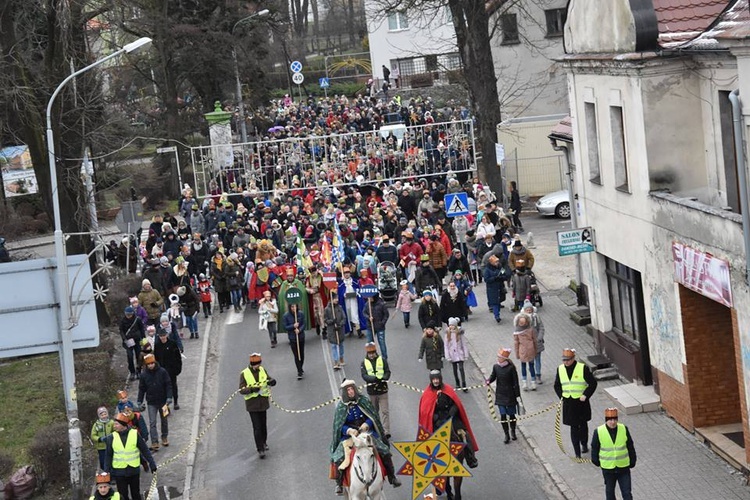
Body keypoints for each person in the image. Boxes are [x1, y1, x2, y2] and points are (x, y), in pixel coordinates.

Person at [330, 380, 401, 496]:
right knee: (338, 456)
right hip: (350, 436)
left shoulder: (363, 401)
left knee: (384, 450)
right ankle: (339, 484)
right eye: (348, 390)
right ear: (344, 392)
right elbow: (338, 426)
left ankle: (392, 477)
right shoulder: (341, 407)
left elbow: (373, 416)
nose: (351, 391)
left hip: (367, 433)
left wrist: (366, 424)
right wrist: (348, 430)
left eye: (352, 389)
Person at [418, 370, 478, 499]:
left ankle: (470, 456)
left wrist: (451, 412)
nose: (436, 381)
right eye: (433, 379)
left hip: (451, 420)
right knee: (430, 445)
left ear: (440, 378)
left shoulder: (448, 390)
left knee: (463, 434)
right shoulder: (427, 394)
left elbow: (456, 404)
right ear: (431, 380)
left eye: (437, 379)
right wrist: (434, 417)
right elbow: (425, 412)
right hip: (437, 423)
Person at [554, 348, 598, 459]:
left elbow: (593, 383)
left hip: (581, 402)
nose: (566, 362)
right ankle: (577, 453)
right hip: (569, 404)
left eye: (568, 360)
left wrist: (586, 395)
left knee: (583, 425)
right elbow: (557, 385)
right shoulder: (560, 369)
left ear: (573, 359)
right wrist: (562, 396)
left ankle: (584, 444)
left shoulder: (582, 368)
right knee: (573, 428)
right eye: (564, 360)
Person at [103, 413, 157, 500]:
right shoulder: (111, 437)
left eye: (116, 424)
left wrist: (152, 463)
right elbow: (108, 455)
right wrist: (106, 471)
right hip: (119, 472)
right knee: (123, 496)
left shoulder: (134, 434)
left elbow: (145, 450)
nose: (114, 426)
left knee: (135, 494)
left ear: (123, 425)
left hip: (133, 470)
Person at [591, 408, 636, 500]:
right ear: (606, 420)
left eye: (615, 419)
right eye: (610, 420)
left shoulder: (623, 429)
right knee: (610, 493)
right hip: (608, 469)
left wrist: (633, 459)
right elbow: (595, 447)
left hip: (623, 467)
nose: (613, 422)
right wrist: (595, 460)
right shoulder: (599, 431)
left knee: (627, 493)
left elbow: (630, 445)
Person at [239, 353, 277, 459]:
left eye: (259, 364)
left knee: (263, 424)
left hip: (263, 402)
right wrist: (251, 389)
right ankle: (260, 449)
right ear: (252, 364)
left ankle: (264, 442)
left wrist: (272, 381)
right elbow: (241, 390)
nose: (258, 366)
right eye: (256, 365)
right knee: (257, 427)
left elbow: (268, 379)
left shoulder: (262, 370)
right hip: (252, 404)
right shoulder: (244, 373)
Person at [136, 353, 173, 451]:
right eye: (149, 364)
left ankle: (164, 437)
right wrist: (139, 401)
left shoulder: (162, 372)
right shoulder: (144, 375)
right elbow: (141, 389)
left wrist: (169, 397)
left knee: (164, 420)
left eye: (152, 363)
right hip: (151, 402)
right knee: (152, 422)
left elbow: (168, 385)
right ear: (146, 365)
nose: (151, 365)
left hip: (163, 401)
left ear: (155, 362)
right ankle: (154, 442)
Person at [487, 348, 521, 444]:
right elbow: (493, 376)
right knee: (503, 415)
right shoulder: (496, 367)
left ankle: (513, 431)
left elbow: (516, 382)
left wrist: (517, 396)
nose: (498, 358)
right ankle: (506, 434)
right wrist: (488, 380)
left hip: (510, 395)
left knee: (511, 415)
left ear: (505, 359)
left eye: (500, 357)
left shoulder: (511, 368)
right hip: (500, 394)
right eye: (498, 357)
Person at [360, 342, 392, 438]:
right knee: (374, 412)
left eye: (373, 352)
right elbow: (364, 375)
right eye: (370, 353)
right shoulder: (364, 363)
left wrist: (383, 378)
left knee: (385, 411)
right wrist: (373, 379)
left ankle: (386, 431)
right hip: (372, 391)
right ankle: (377, 429)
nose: (371, 355)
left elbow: (387, 372)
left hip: (383, 390)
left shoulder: (382, 360)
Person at [154, 328, 183, 410]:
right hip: (162, 371)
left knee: (173, 386)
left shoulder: (172, 344)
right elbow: (156, 359)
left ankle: (176, 402)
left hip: (172, 370)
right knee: (163, 389)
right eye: (161, 336)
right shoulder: (157, 345)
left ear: (166, 335)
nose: (162, 337)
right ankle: (166, 407)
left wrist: (178, 369)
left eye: (163, 335)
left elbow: (178, 357)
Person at [513, 311, 538, 391]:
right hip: (525, 351)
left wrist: (535, 350)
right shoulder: (526, 330)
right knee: (527, 366)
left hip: (526, 351)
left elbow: (534, 340)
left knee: (529, 366)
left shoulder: (529, 330)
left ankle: (530, 382)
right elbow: (516, 343)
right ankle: (527, 382)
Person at [119, 306, 144, 382]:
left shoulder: (137, 319)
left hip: (137, 339)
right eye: (127, 314)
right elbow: (121, 330)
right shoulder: (123, 321)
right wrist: (124, 339)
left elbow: (142, 329)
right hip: (128, 340)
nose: (128, 316)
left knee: (139, 355)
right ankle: (132, 372)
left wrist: (144, 339)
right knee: (130, 356)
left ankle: (139, 371)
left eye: (130, 314)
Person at [523, 300, 545, 384]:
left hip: (537, 342)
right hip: (528, 344)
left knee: (538, 359)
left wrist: (539, 338)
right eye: (527, 310)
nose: (529, 311)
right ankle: (533, 374)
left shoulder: (536, 317)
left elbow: (541, 328)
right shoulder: (522, 320)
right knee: (531, 360)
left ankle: (538, 375)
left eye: (530, 310)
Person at [362, 292, 390, 359]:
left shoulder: (382, 304)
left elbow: (386, 315)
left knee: (382, 343)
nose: (370, 299)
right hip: (370, 326)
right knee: (370, 343)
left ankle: (384, 358)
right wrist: (369, 317)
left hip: (380, 327)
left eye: (371, 297)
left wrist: (382, 323)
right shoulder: (367, 304)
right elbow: (364, 312)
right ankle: (371, 356)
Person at [283, 302, 306, 379]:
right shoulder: (286, 316)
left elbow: (304, 324)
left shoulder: (301, 314)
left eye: (295, 306)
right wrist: (293, 326)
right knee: (296, 355)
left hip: (301, 337)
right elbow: (285, 327)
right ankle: (299, 371)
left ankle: (301, 367)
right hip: (293, 338)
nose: (294, 308)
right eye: (292, 307)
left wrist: (299, 330)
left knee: (301, 354)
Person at [444, 318, 469, 391]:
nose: (451, 326)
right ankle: (457, 382)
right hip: (452, 355)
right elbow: (446, 346)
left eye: (453, 325)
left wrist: (466, 354)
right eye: (450, 325)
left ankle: (464, 383)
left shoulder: (459, 333)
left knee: (461, 369)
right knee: (455, 370)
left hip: (460, 353)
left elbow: (464, 344)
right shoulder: (447, 334)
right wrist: (447, 356)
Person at [325, 291, 347, 369]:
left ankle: (341, 357)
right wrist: (332, 321)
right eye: (335, 298)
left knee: (340, 344)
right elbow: (326, 320)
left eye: (337, 298)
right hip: (332, 330)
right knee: (334, 345)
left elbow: (344, 318)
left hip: (340, 329)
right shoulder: (327, 309)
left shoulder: (340, 308)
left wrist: (340, 324)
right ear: (331, 300)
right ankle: (336, 361)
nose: (337, 300)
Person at [483, 255, 508, 322]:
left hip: (500, 287)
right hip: (492, 289)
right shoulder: (487, 269)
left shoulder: (501, 268)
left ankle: (497, 312)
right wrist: (494, 278)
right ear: (491, 262)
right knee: (494, 303)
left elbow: (505, 275)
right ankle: (497, 316)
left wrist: (502, 277)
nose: (497, 263)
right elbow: (486, 279)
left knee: (499, 300)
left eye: (497, 262)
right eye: (495, 262)